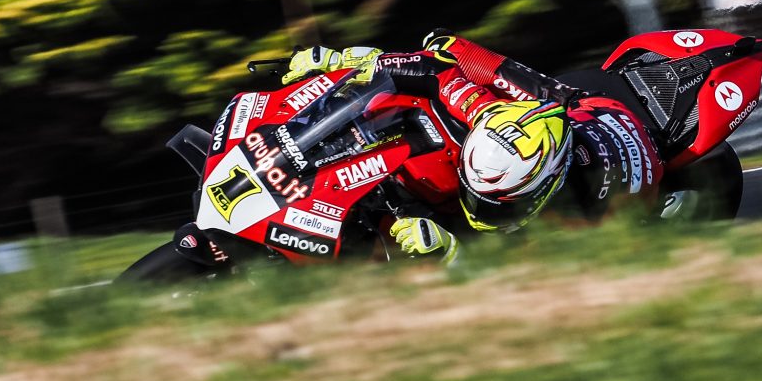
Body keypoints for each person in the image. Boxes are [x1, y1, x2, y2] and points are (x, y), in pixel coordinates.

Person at [280, 31, 665, 265]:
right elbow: (434, 69)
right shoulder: (487, 111)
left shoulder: (583, 213)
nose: (477, 209)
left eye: (496, 204)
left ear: (546, 190)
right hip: (574, 105)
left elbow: (526, 280)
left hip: (614, 144)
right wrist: (350, 62)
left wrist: (453, 250)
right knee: (444, 45)